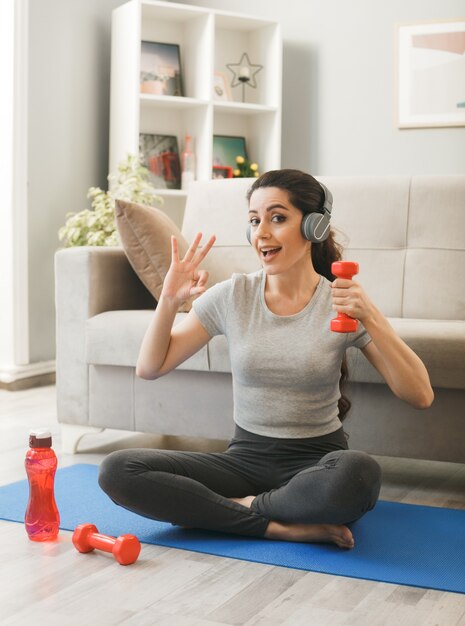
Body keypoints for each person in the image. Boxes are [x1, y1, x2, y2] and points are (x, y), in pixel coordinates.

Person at [98, 169, 434, 549]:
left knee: (359, 473)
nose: (261, 233)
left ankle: (238, 510)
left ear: (313, 227)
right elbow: (150, 367)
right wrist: (169, 301)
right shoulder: (233, 296)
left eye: (277, 218)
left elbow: (420, 394)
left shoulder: (339, 303)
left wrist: (371, 315)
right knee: (118, 470)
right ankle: (277, 525)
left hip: (316, 464)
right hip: (243, 461)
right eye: (254, 221)